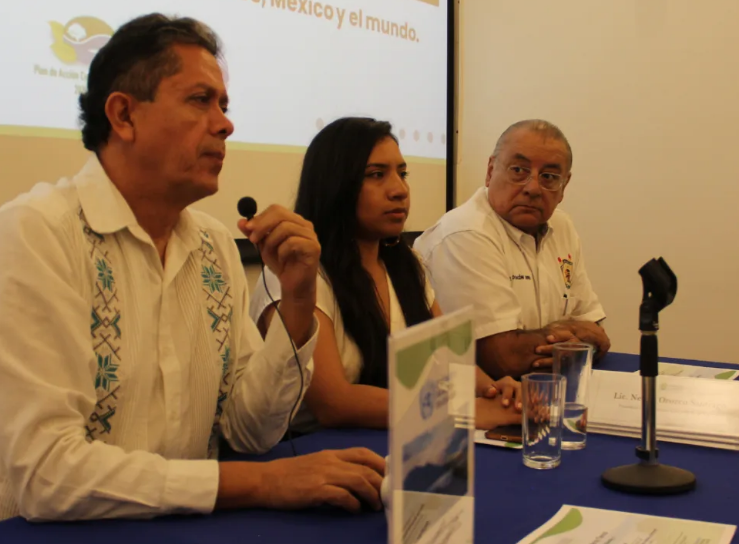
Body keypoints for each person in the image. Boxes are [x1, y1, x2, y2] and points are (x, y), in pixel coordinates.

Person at [0, 14, 384, 521]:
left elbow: (251, 429)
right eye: (200, 100)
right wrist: (265, 480)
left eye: (224, 105)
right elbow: (46, 475)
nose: (225, 123)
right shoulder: (38, 232)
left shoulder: (212, 244)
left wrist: (295, 304)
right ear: (123, 115)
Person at [250, 117, 521, 434]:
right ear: (336, 184)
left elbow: (449, 360)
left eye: (402, 174)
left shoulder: (408, 264)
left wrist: (495, 392)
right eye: (376, 175)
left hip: (395, 438)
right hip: (310, 452)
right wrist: (462, 410)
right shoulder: (294, 272)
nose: (399, 190)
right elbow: (334, 403)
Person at [415, 120, 610, 380]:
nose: (532, 188)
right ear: (490, 171)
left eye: (549, 177)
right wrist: (572, 335)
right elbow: (502, 360)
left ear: (565, 186)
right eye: (518, 170)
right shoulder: (465, 232)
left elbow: (596, 333)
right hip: (467, 401)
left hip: (542, 394)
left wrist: (550, 340)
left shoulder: (561, 226)